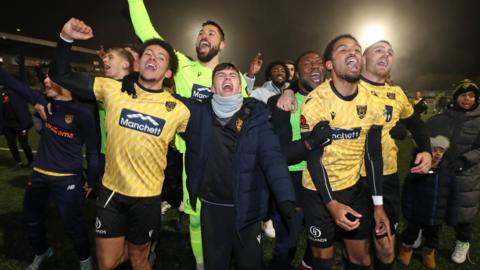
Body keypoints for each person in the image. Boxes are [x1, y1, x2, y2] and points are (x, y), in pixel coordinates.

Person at [126, 1, 262, 267]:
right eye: (201, 33)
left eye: (211, 33)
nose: (204, 36)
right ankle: (202, 263)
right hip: (194, 157)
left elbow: (249, 118)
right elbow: (147, 32)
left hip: (228, 160)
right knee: (197, 217)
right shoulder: (184, 67)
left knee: (230, 215)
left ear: (222, 45)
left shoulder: (231, 78)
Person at [49, 18, 190, 270]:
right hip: (112, 193)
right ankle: (130, 244)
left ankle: (141, 248)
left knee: (138, 259)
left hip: (147, 199)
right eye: (148, 53)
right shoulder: (113, 89)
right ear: (139, 62)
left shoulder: (179, 110)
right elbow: (60, 75)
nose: (153, 59)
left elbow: (202, 139)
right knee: (107, 263)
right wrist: (65, 38)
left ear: (168, 72)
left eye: (161, 57)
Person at [178, 62, 296, 269]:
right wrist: (139, 80)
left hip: (248, 207)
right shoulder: (195, 114)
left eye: (232, 75)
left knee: (250, 264)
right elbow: (163, 100)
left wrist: (286, 199)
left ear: (240, 85)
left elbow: (273, 158)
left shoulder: (256, 117)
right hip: (212, 207)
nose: (227, 78)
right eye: (221, 75)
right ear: (212, 87)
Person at [300, 34, 390, 270]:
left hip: (353, 189)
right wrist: (331, 203)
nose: (352, 52)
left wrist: (378, 205)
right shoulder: (316, 101)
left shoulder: (373, 102)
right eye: (343, 49)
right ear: (329, 65)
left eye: (356, 49)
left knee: (361, 260)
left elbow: (373, 156)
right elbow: (313, 159)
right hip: (318, 193)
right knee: (322, 262)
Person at [0, 65, 98, 269]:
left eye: (51, 78)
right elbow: (12, 83)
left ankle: (85, 260)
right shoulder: (44, 103)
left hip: (68, 178)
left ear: (68, 83)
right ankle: (42, 252)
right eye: (45, 77)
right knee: (31, 220)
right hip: (39, 176)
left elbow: (93, 150)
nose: (45, 81)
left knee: (73, 224)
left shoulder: (83, 114)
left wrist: (91, 179)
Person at [359, 40, 431, 270]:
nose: (386, 55)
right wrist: (288, 90)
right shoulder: (344, 86)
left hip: (386, 176)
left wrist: (427, 150)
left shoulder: (396, 92)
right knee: (357, 246)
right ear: (363, 58)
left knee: (386, 243)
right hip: (348, 177)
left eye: (390, 52)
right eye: (379, 50)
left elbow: (416, 123)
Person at [266, 51, 325, 270]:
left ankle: (307, 264)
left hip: (328, 178)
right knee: (287, 242)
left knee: (320, 236)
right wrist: (310, 143)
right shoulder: (280, 102)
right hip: (294, 179)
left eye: (319, 63)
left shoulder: (332, 99)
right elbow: (280, 153)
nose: (315, 66)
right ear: (297, 74)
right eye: (308, 64)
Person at [426, 79, 480, 264]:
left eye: (472, 96)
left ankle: (463, 243)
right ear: (456, 97)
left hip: (467, 174)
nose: (467, 99)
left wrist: (465, 159)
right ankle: (426, 240)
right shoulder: (445, 117)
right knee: (436, 207)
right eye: (464, 95)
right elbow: (432, 138)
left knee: (464, 211)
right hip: (443, 170)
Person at [398, 135, 452, 269]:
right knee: (411, 232)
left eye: (441, 151)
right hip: (417, 211)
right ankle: (406, 249)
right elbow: (408, 191)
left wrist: (446, 210)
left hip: (436, 213)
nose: (438, 153)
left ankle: (428, 253)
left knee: (433, 235)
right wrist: (408, 209)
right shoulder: (417, 169)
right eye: (434, 150)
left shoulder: (447, 171)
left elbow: (449, 192)